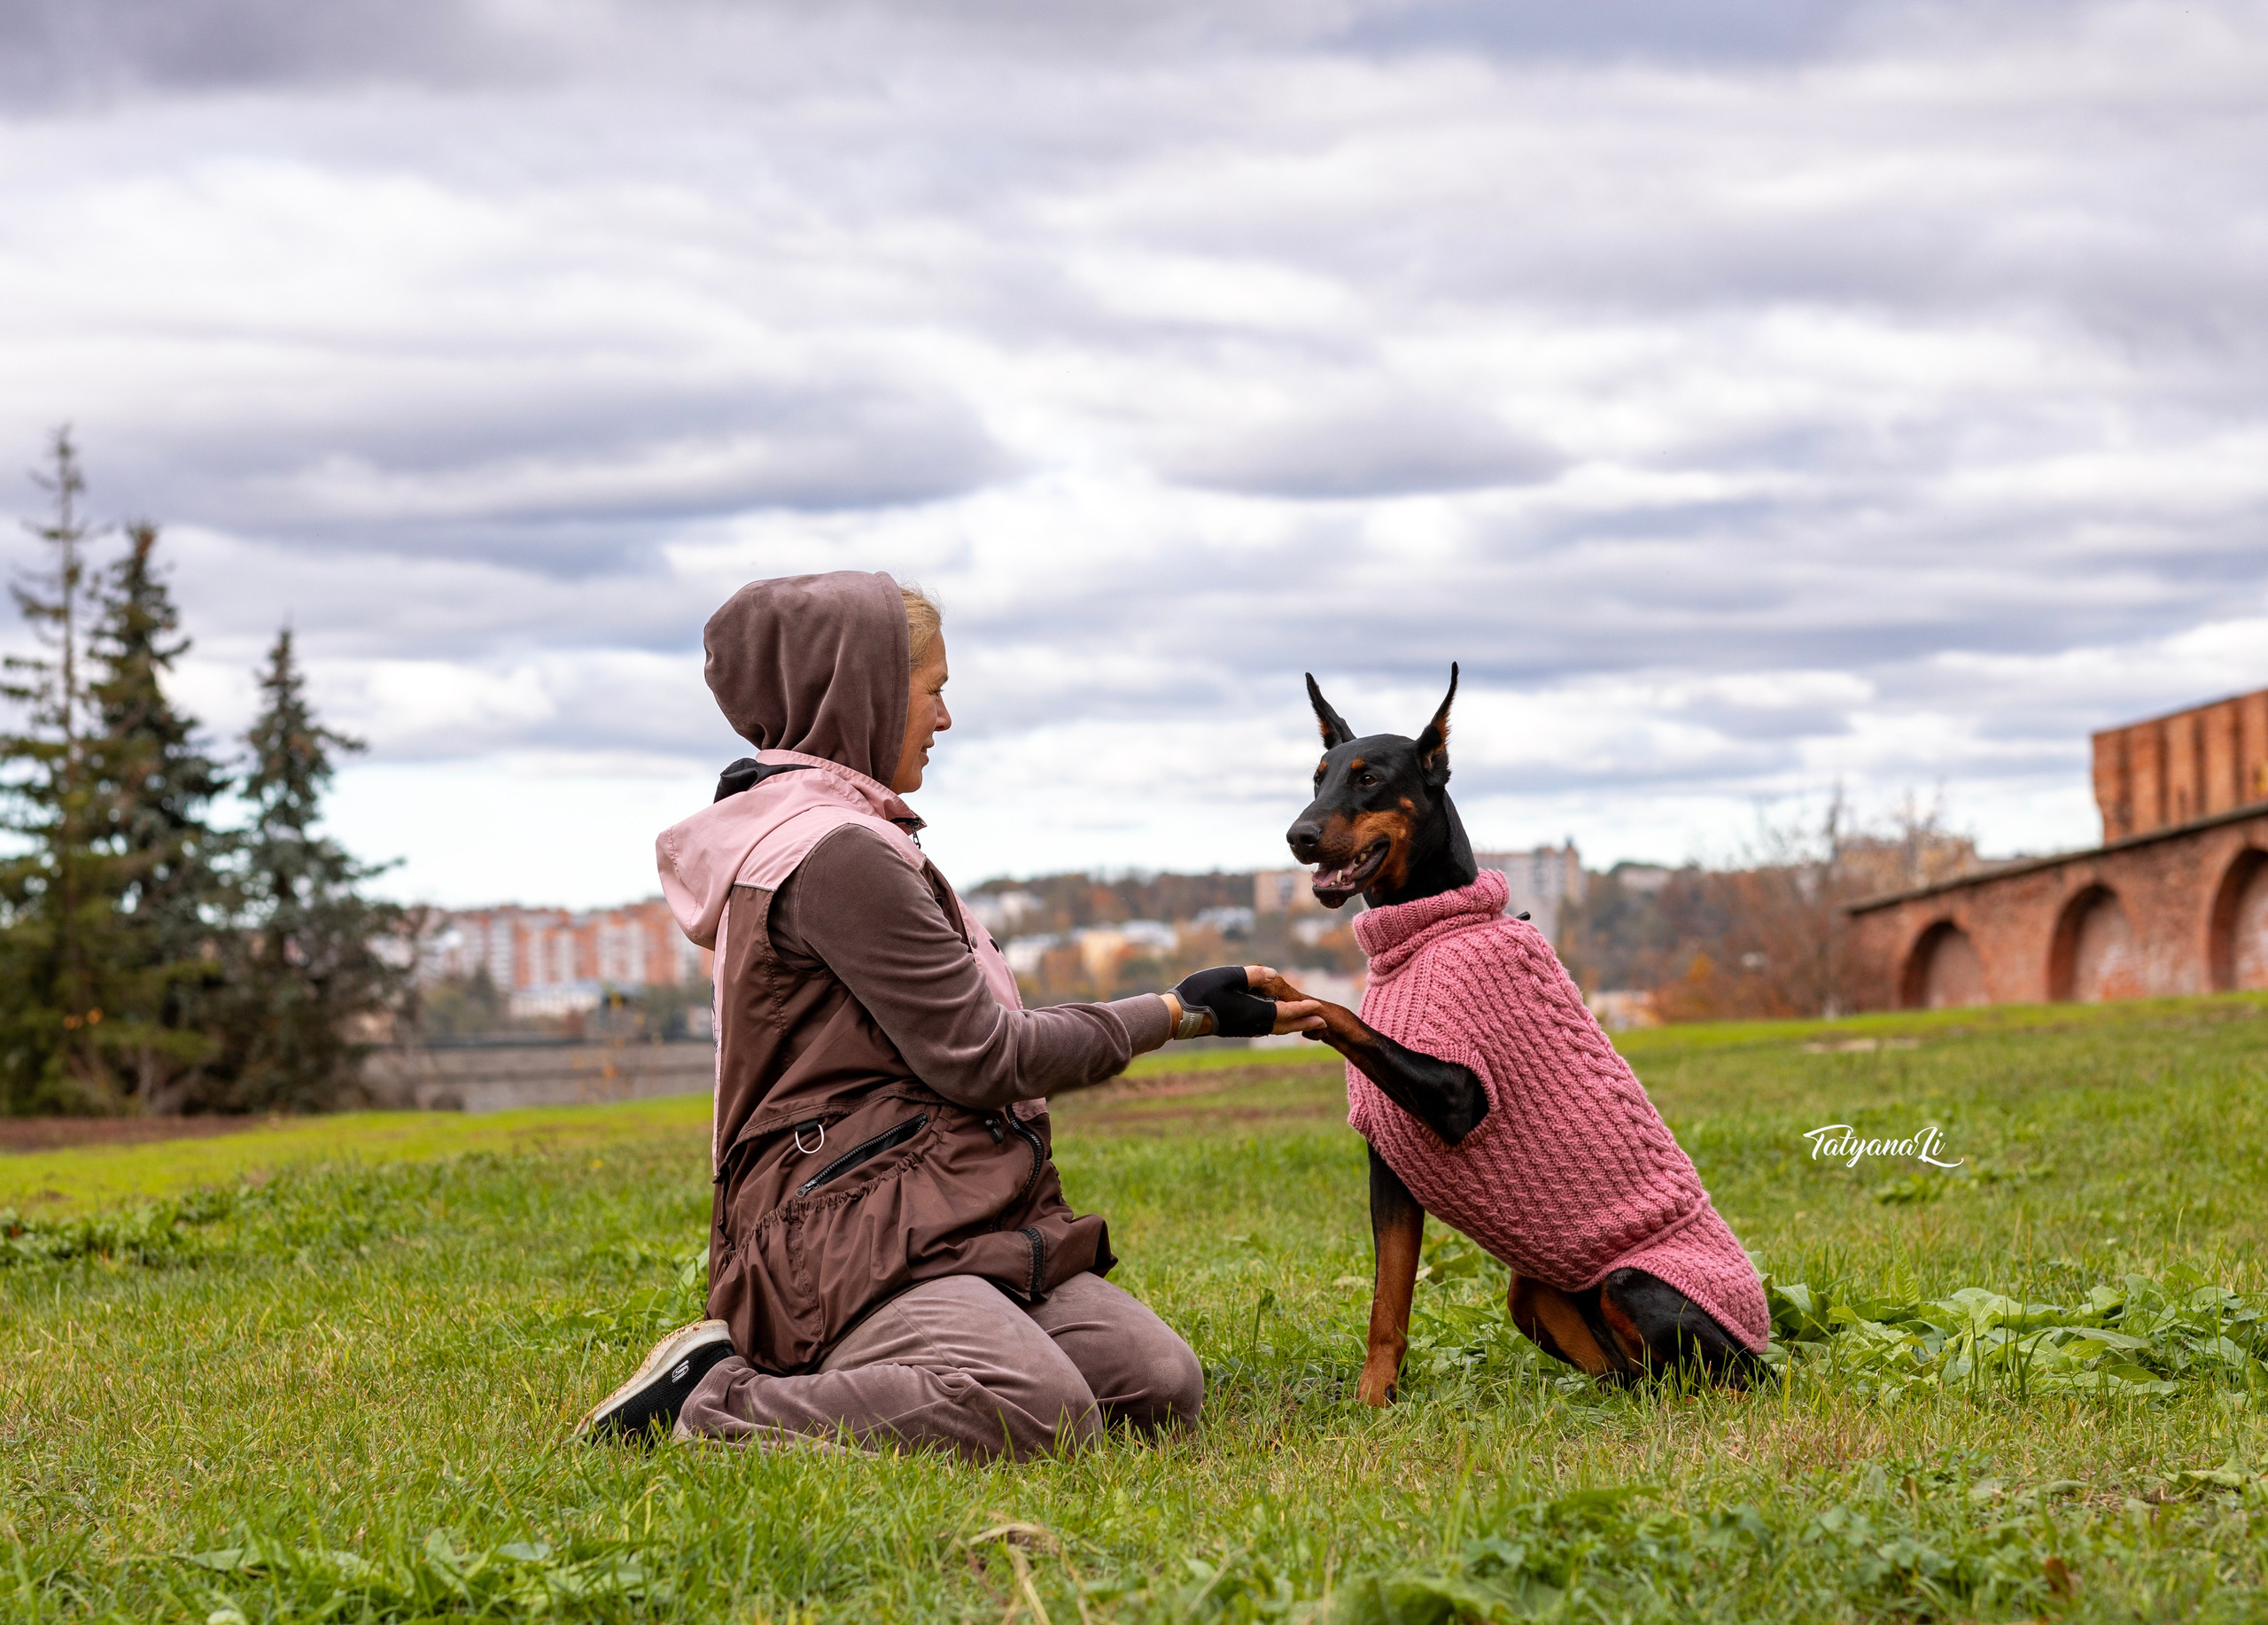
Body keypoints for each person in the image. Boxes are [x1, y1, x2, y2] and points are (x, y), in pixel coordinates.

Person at [577, 571, 1320, 1458]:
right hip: (846, 1230)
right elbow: (982, 1057)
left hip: (941, 1213)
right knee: (1035, 1411)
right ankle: (713, 1397)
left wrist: (1183, 1013)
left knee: (1155, 1384)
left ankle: (907, 1347)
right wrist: (1172, 1013)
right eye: (932, 689)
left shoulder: (840, 835)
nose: (943, 718)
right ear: (865, 693)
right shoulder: (837, 856)